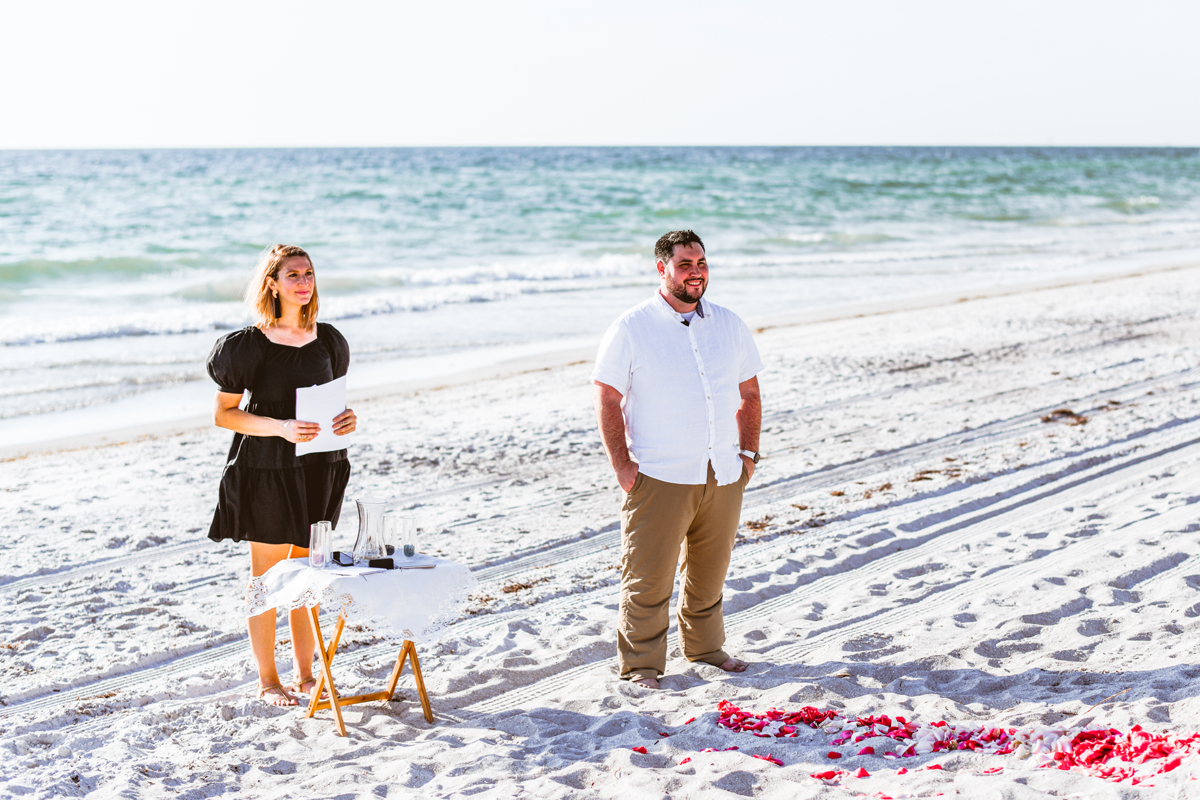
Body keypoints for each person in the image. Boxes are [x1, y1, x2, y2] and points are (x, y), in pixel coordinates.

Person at [591, 230, 763, 689]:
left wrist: (748, 455)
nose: (696, 271)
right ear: (662, 268)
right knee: (648, 578)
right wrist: (622, 466)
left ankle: (706, 649)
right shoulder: (631, 327)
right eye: (685, 264)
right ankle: (643, 666)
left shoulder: (728, 323)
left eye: (702, 262)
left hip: (724, 472)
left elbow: (749, 392)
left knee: (710, 573)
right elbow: (607, 397)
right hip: (659, 474)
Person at [206, 244, 358, 706]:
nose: (304, 282)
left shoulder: (328, 340)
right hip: (266, 469)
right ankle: (268, 681)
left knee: (307, 574)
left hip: (318, 466)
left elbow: (334, 404)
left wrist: (348, 419)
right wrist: (280, 427)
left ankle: (306, 676)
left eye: (309, 273)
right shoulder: (246, 345)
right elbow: (225, 415)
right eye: (293, 274)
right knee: (267, 577)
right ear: (272, 283)